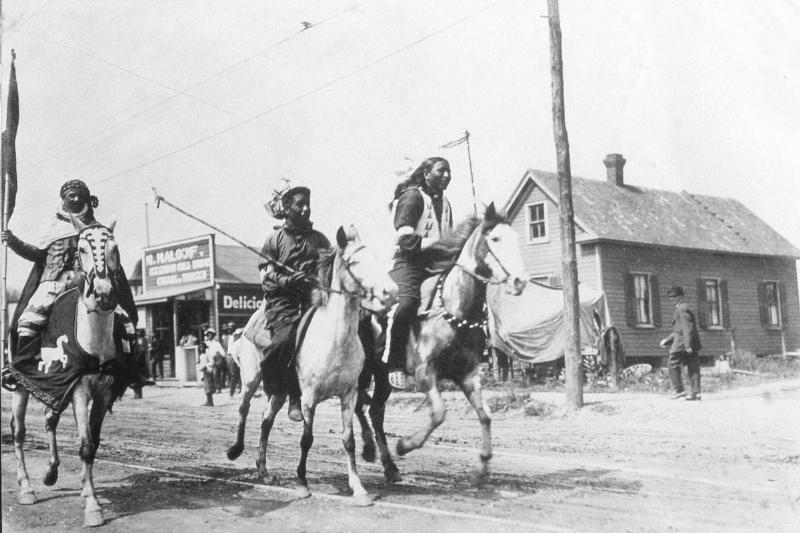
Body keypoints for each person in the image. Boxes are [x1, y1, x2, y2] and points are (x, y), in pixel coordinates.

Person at [1, 179, 150, 390]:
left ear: (87, 199)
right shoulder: (51, 227)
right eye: (72, 195)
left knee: (124, 319)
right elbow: (36, 254)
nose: (77, 198)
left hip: (86, 284)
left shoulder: (96, 228)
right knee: (28, 318)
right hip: (54, 282)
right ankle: (20, 368)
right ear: (64, 199)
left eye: (80, 195)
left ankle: (132, 369)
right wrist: (13, 241)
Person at [259, 185, 330, 422]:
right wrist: (288, 280)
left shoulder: (320, 239)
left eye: (308, 204)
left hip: (313, 300)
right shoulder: (274, 239)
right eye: (300, 204)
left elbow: (328, 272)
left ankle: (358, 387)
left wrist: (317, 281)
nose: (306, 208)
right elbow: (266, 277)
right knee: (285, 340)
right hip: (283, 302)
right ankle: (290, 395)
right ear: (287, 208)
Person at [385, 157, 453, 389]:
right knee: (405, 306)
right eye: (441, 171)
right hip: (409, 263)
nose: (446, 175)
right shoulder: (413, 197)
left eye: (449, 172)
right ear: (426, 173)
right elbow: (404, 239)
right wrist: (440, 243)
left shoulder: (447, 204)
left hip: (436, 266)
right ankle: (395, 363)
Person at [659, 286, 702, 401]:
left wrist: (688, 345)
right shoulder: (682, 308)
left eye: (674, 297)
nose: (672, 299)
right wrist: (667, 340)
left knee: (672, 364)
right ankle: (695, 393)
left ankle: (679, 392)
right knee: (692, 367)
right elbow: (678, 329)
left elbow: (687, 328)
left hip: (682, 344)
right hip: (686, 342)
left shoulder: (682, 308)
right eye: (670, 297)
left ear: (680, 296)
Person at [203, 329, 226, 394]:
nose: (209, 336)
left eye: (211, 335)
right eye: (208, 335)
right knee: (208, 376)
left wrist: (219, 356)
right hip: (208, 361)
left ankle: (218, 388)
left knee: (215, 375)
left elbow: (222, 352)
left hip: (215, 361)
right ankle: (211, 389)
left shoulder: (216, 343)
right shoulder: (206, 343)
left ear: (213, 336)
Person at [197, 341, 216, 406]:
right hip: (204, 372)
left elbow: (212, 362)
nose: (201, 348)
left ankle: (210, 401)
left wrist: (207, 365)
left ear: (205, 347)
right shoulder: (201, 355)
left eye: (202, 347)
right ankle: (208, 400)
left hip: (208, 371)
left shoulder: (208, 354)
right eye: (200, 347)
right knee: (205, 386)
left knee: (209, 386)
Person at [225, 326, 242, 396]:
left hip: (242, 360)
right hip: (236, 361)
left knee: (242, 377)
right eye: (238, 335)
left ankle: (242, 391)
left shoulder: (243, 342)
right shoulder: (236, 343)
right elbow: (234, 355)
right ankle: (231, 393)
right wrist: (238, 363)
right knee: (235, 377)